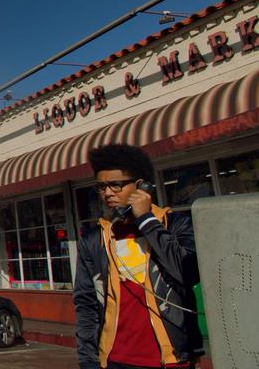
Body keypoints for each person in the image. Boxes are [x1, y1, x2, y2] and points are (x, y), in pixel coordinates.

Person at [75, 144, 202, 369]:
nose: (107, 193)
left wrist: (146, 220)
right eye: (101, 187)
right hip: (115, 359)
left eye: (116, 185)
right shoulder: (96, 239)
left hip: (171, 357)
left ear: (142, 185)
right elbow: (86, 303)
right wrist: (88, 361)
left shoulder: (173, 225)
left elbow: (187, 272)